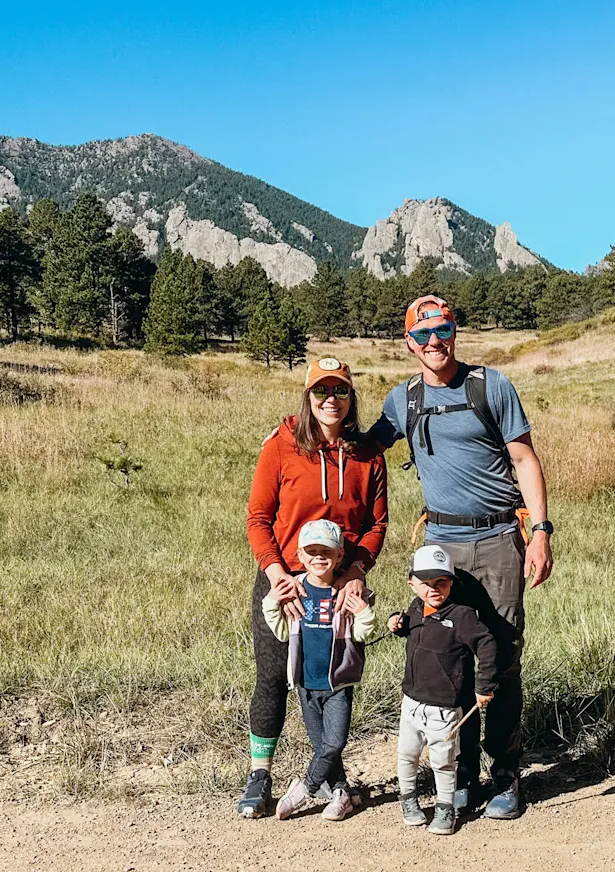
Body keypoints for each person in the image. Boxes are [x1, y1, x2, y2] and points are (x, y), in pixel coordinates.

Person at [368, 294, 553, 819]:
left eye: (442, 331)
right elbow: (359, 449)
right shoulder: (401, 401)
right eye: (423, 335)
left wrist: (539, 532)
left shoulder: (490, 386)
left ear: (455, 332)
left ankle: (506, 774)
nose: (434, 342)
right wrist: (299, 434)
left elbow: (524, 459)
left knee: (501, 654)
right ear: (408, 342)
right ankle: (461, 772)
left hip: (498, 540)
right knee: (450, 658)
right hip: (441, 547)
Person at [237, 358, 388, 818]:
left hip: (339, 590)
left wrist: (357, 570)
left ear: (351, 398)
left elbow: (376, 524)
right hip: (284, 586)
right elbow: (258, 519)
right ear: (307, 396)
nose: (330, 399)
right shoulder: (281, 447)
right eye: (321, 390)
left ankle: (328, 780)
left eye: (340, 391)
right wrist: (275, 572)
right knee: (273, 679)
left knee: (329, 681)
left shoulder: (368, 456)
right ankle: (260, 776)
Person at [262, 519, 377, 822]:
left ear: (340, 556)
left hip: (338, 683)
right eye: (311, 551)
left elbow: (363, 633)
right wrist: (274, 598)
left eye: (325, 551)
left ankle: (305, 788)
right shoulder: (295, 590)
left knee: (334, 742)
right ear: (300, 555)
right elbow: (281, 631)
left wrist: (363, 612)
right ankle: (341, 794)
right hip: (305, 683)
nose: (318, 557)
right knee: (322, 746)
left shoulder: (349, 592)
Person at [388, 544, 497, 836]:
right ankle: (408, 800)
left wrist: (484, 685)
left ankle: (445, 809)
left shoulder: (461, 616)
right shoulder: (414, 608)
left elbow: (487, 644)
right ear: (412, 583)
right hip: (411, 702)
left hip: (445, 708)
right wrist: (395, 623)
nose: (434, 589)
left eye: (442, 582)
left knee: (443, 760)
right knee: (407, 755)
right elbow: (410, 626)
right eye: (426, 583)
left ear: (452, 582)